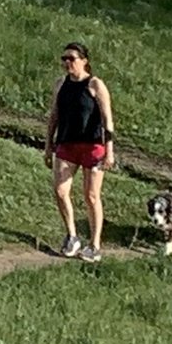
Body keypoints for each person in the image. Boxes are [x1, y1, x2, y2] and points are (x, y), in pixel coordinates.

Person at [44, 41, 116, 260]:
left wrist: (109, 151)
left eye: (72, 59)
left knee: (91, 195)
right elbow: (54, 115)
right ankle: (72, 235)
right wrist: (48, 144)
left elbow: (107, 119)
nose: (67, 63)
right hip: (66, 143)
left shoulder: (95, 85)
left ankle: (94, 245)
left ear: (84, 61)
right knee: (60, 190)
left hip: (92, 145)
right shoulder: (60, 84)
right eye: (64, 59)